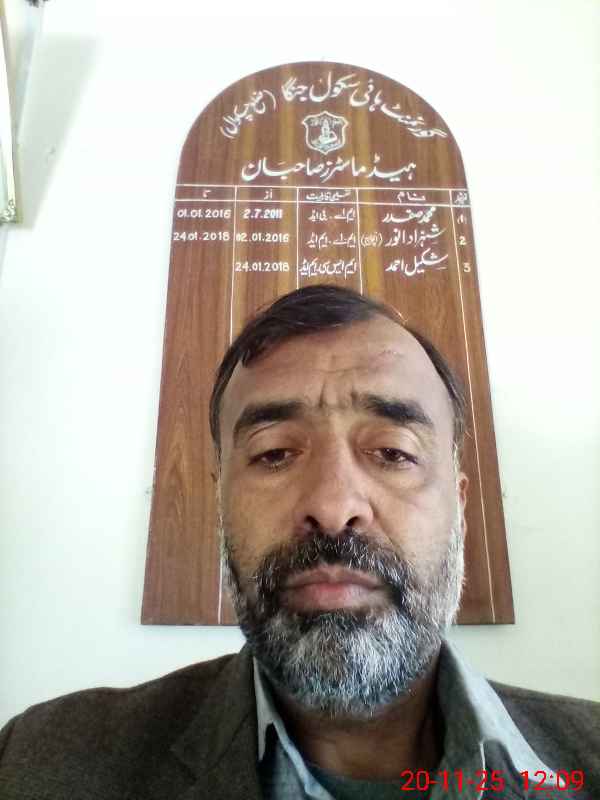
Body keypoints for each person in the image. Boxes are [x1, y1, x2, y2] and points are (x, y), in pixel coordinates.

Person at [0, 284, 598, 799]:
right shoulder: (41, 762)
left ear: (460, 507)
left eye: (393, 453)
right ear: (221, 501)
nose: (333, 508)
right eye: (274, 453)